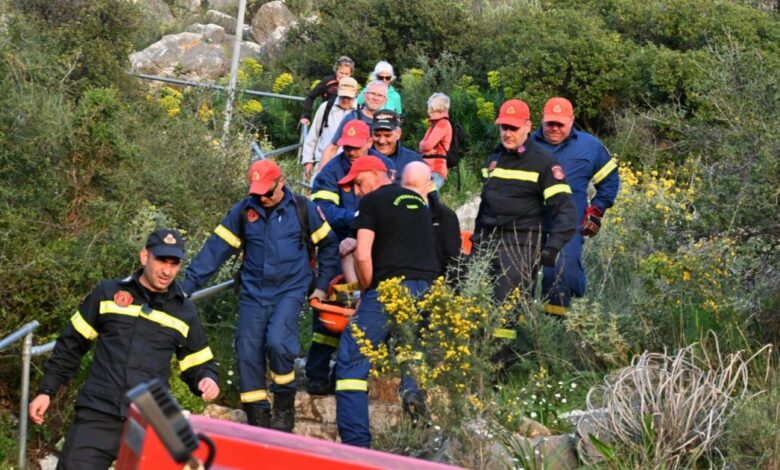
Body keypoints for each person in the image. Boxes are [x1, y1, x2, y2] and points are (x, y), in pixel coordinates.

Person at [29, 229, 220, 469]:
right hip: (98, 412)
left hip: (150, 420)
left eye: (174, 263)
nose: (167, 270)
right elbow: (71, 345)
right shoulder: (108, 293)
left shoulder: (184, 311)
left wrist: (207, 379)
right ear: (144, 257)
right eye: (161, 260)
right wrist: (47, 389)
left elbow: (198, 362)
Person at [182, 159, 339, 432]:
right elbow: (215, 249)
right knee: (247, 351)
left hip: (290, 290)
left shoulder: (303, 208)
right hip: (253, 293)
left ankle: (284, 402)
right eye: (257, 192)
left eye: (268, 191)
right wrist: (186, 287)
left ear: (282, 182)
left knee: (278, 343)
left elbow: (329, 245)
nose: (262, 197)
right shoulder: (244, 211)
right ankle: (258, 419)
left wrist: (322, 285)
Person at [334, 155, 439, 448]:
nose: (355, 192)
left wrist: (364, 291)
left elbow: (363, 254)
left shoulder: (371, 202)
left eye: (357, 183)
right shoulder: (419, 202)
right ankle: (415, 405)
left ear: (374, 173)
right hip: (425, 288)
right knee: (409, 350)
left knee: (351, 360)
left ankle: (356, 444)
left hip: (388, 288)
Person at [305, 120, 395, 395]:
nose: (351, 152)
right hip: (337, 249)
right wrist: (358, 220)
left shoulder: (382, 168)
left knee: (370, 312)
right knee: (336, 309)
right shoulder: (331, 172)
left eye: (357, 147)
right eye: (347, 146)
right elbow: (322, 211)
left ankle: (356, 370)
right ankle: (318, 373)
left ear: (369, 142)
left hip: (373, 250)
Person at [473, 98, 577, 311]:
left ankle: (508, 345)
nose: (507, 133)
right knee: (475, 300)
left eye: (513, 128)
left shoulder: (543, 162)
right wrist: (476, 239)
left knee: (507, 309)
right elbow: (485, 204)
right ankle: (480, 344)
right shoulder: (495, 159)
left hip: (520, 243)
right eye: (504, 127)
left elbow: (565, 209)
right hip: (488, 240)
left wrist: (553, 246)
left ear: (528, 127)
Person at [531, 97, 620, 316]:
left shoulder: (590, 146)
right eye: (550, 123)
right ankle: (514, 337)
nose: (554, 128)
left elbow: (610, 180)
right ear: (542, 119)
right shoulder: (526, 145)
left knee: (562, 272)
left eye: (560, 124)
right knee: (516, 276)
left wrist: (597, 211)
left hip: (568, 224)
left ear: (571, 120)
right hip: (529, 223)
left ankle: (558, 327)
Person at [401, 161, 461, 276]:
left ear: (429, 185)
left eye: (414, 186)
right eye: (406, 185)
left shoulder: (444, 216)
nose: (410, 192)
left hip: (435, 281)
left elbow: (453, 260)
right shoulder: (392, 212)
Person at [317, 80, 389, 170]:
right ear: (364, 96)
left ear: (385, 100)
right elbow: (332, 147)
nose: (375, 98)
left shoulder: (388, 122)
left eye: (379, 95)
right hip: (351, 171)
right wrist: (321, 177)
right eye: (372, 94)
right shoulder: (352, 117)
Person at [301, 77, 359, 180]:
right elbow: (313, 134)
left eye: (349, 97)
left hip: (349, 165)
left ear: (356, 95)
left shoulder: (360, 112)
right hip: (323, 163)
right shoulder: (326, 107)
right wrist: (308, 161)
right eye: (343, 96)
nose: (345, 100)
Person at [370, 109, 425, 183]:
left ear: (398, 134)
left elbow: (430, 191)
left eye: (387, 136)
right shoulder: (362, 156)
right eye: (377, 135)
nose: (381, 141)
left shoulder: (413, 160)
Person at [299, 56, 355, 127]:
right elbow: (310, 97)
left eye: (346, 74)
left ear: (351, 74)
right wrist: (306, 116)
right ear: (336, 71)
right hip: (325, 122)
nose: (343, 76)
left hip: (344, 123)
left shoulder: (353, 84)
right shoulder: (327, 81)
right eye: (341, 73)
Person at [418, 92, 453, 191]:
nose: (428, 109)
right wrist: (423, 147)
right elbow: (423, 146)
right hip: (429, 169)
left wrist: (423, 146)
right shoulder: (435, 124)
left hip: (435, 169)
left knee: (430, 200)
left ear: (433, 106)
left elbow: (426, 145)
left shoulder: (442, 123)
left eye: (429, 105)